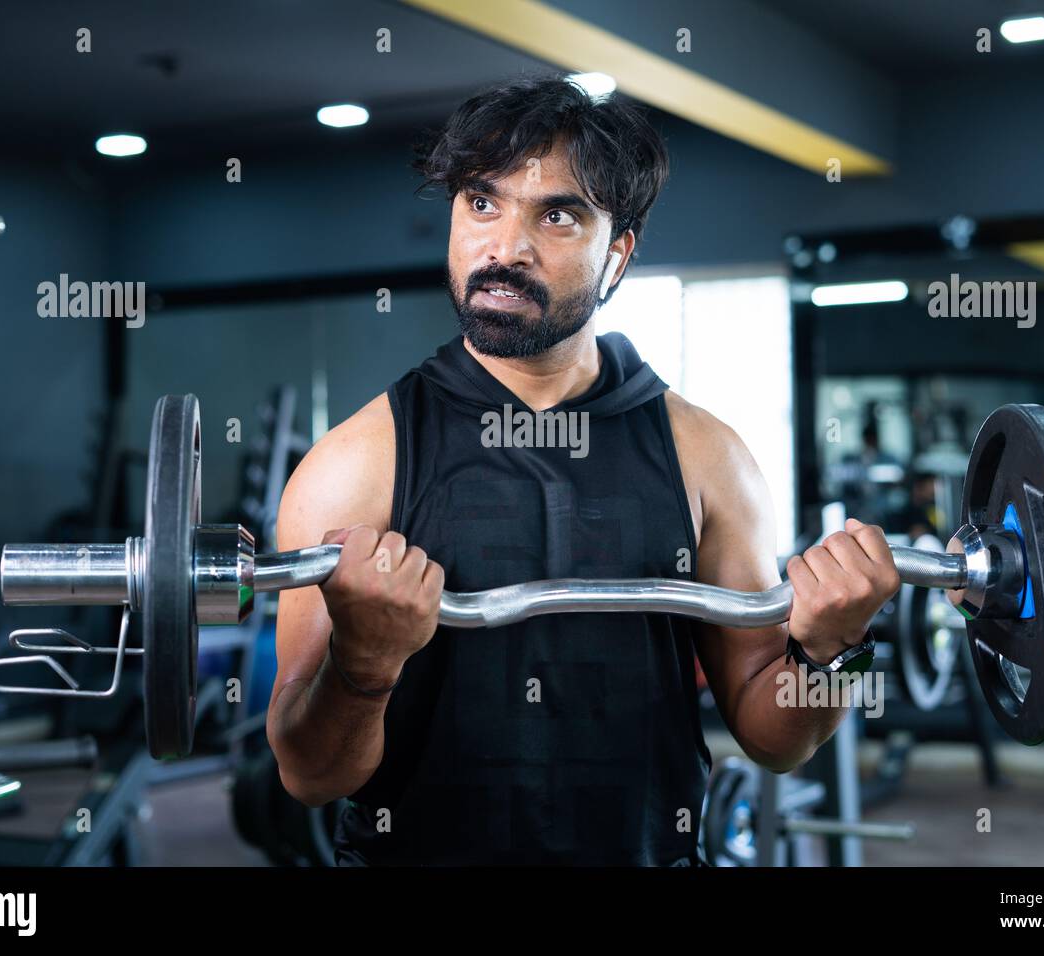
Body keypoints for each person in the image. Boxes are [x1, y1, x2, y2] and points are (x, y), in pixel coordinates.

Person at [266, 74, 899, 865]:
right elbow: (308, 774)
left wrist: (831, 652)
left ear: (619, 252)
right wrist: (363, 669)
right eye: (482, 203)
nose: (505, 248)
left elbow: (773, 738)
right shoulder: (358, 460)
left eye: (558, 215)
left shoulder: (706, 455)